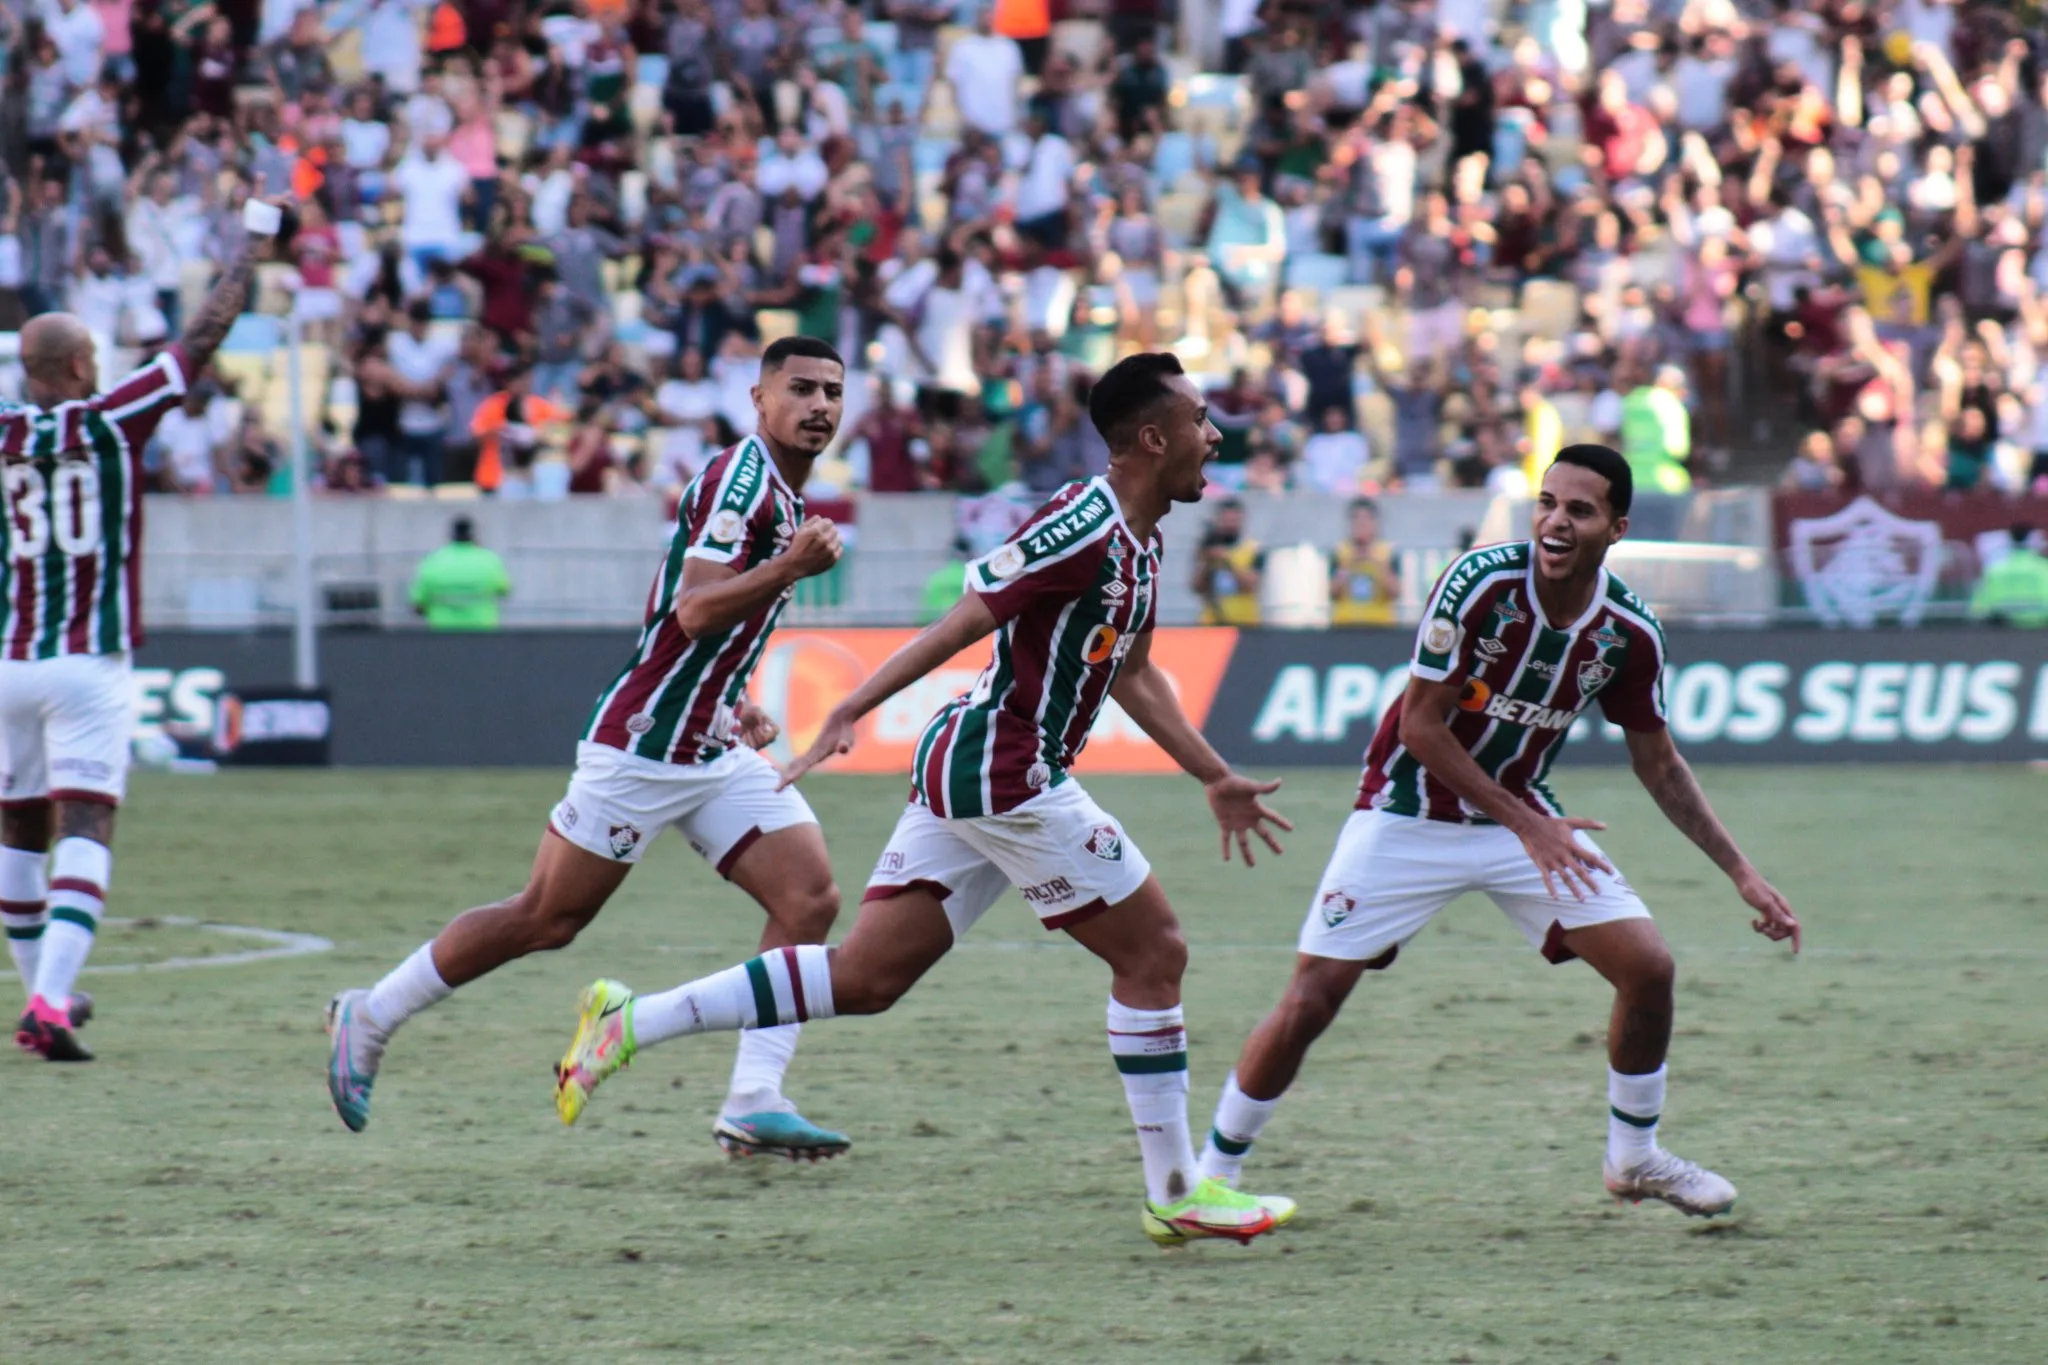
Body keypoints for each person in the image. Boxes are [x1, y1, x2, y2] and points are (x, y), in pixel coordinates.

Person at [551, 353, 1299, 1247]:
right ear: (1153, 437)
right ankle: (1178, 1191)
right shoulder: (1083, 522)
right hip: (1006, 774)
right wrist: (851, 708)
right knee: (1156, 952)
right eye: (1201, 419)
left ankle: (631, 1020)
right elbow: (964, 617)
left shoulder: (1143, 541)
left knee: (866, 979)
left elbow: (1133, 675)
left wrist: (1212, 772)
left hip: (982, 770)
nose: (1214, 434)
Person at [1193, 445, 1801, 1219]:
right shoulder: (1480, 584)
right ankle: (1209, 1177)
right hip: (1407, 810)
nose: (1554, 521)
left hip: (1521, 819)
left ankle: (1635, 1158)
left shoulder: (1629, 634)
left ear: (1615, 527)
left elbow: (1661, 763)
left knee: (1648, 967)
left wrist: (1741, 872)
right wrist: (1533, 827)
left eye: (1578, 510)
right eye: (1546, 502)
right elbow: (1420, 726)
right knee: (1313, 997)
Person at [326, 338, 857, 1162]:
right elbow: (693, 609)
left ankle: (754, 1097)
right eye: (801, 388)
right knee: (547, 916)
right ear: (759, 397)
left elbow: (700, 626)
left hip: (707, 743)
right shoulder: (742, 479)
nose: (819, 404)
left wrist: (734, 701)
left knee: (809, 896)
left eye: (832, 390)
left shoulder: (782, 493)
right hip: (643, 742)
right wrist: (789, 566)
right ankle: (373, 1013)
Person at [8, 194, 290, 1061]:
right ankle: (50, 1001)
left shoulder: (6, 431)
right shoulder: (115, 418)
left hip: (11, 656)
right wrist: (253, 242)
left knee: (16, 829)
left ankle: (42, 995)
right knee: (85, 824)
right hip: (88, 660)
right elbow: (205, 330)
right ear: (81, 362)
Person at [409, 518, 512, 630]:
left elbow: (418, 604)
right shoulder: (489, 560)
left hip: (442, 631)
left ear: (451, 535)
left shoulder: (434, 561)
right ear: (474, 535)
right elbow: (505, 590)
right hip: (482, 630)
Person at [1192, 496, 1262, 625]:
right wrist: (1207, 563)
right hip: (1211, 622)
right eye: (1226, 520)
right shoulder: (1208, 547)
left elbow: (1250, 585)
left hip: (1244, 622)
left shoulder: (1253, 549)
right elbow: (1197, 587)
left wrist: (1228, 562)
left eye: (1234, 520)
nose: (1230, 525)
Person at [1329, 497, 1399, 625]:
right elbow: (1332, 593)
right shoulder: (1340, 552)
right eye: (1357, 520)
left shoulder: (1387, 552)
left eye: (1366, 520)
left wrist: (1376, 562)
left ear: (1375, 523)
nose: (1361, 525)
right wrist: (1348, 565)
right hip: (1345, 623)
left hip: (1380, 624)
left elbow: (1395, 592)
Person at [1969, 526, 2048, 628]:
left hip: (2002, 632)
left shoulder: (1994, 570)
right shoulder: (2044, 568)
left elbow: (1977, 610)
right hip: (2040, 630)